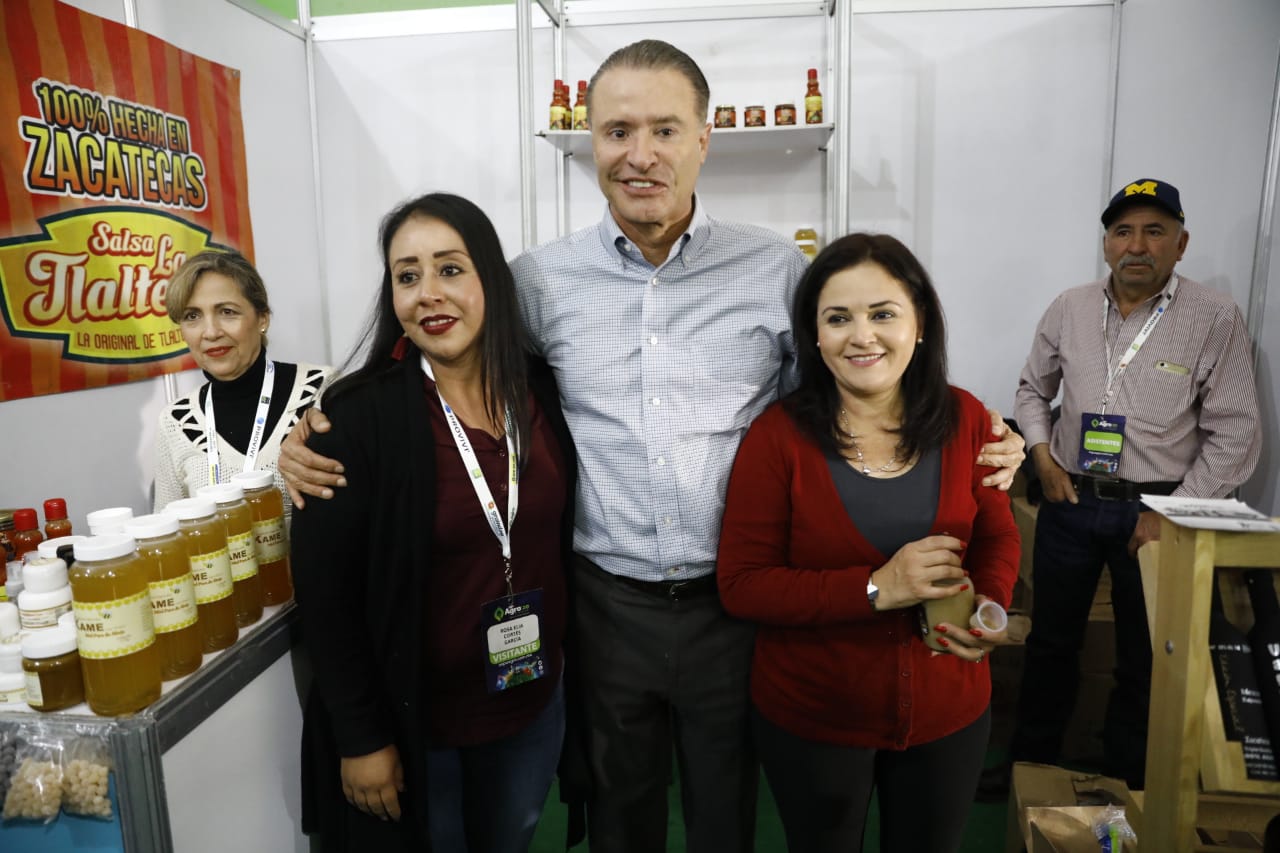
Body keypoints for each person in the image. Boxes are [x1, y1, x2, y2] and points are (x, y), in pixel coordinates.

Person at [281, 40, 1027, 853]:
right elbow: (454, 355)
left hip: (733, 607)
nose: (640, 154)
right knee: (620, 815)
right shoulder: (540, 281)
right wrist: (324, 424)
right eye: (617, 131)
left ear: (704, 139)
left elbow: (844, 399)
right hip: (603, 605)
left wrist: (980, 436)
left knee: (723, 814)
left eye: (665, 130)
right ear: (591, 142)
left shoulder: (775, 270)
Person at [289, 193, 577, 853]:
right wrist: (361, 736)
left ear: (490, 280)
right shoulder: (356, 419)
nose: (428, 294)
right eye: (407, 275)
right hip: (419, 721)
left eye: (450, 269)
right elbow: (326, 595)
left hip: (530, 701)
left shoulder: (538, 391)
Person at [717, 233, 1020, 852]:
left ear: (920, 324)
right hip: (816, 716)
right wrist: (878, 588)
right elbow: (743, 585)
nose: (862, 336)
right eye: (838, 318)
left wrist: (987, 603)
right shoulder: (777, 438)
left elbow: (996, 534)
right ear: (813, 335)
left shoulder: (967, 420)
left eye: (883, 314)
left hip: (950, 711)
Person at [988, 178, 1261, 795]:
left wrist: (1173, 511)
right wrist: (1042, 458)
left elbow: (1235, 431)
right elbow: (1032, 390)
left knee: (1145, 656)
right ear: (1107, 243)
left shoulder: (1215, 317)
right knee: (1051, 643)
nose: (1137, 245)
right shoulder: (1070, 307)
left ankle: (1124, 783)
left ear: (1181, 244)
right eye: (1123, 231)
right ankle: (1029, 768)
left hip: (1158, 507)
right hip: (1070, 499)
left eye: (1154, 231)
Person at [153, 249, 330, 511]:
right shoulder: (175, 422)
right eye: (192, 316)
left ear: (262, 319)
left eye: (227, 312)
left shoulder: (322, 389)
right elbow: (168, 525)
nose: (210, 332)